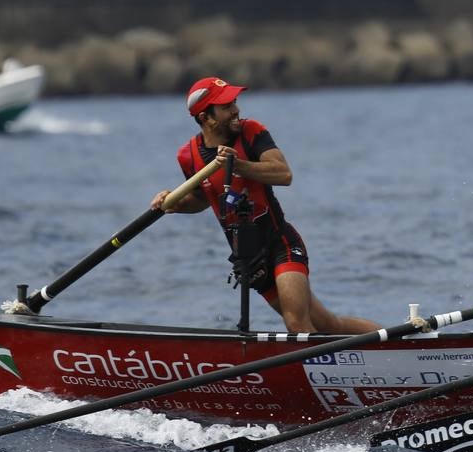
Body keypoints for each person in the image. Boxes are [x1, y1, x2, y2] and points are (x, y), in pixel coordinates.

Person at [150, 77, 380, 335]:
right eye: (226, 106)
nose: (236, 109)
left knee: (296, 324)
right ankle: (384, 346)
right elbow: (204, 198)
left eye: (235, 102)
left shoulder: (251, 132)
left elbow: (284, 174)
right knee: (328, 325)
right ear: (206, 118)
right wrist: (173, 203)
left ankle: (386, 350)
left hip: (280, 243)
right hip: (250, 259)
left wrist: (239, 165)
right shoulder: (187, 155)